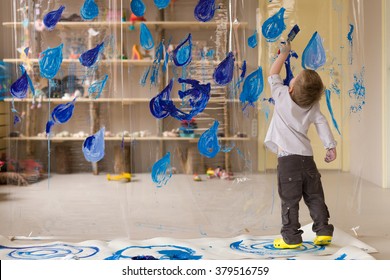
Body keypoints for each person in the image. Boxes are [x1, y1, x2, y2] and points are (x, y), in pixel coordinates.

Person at [264, 41, 337, 249]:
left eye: (295, 77)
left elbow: (273, 73)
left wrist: (284, 54)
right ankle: (323, 231)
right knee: (314, 196)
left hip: (288, 161)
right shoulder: (314, 106)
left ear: (292, 87)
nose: (292, 77)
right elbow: (322, 123)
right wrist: (330, 146)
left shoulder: (280, 96)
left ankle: (291, 237)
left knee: (290, 200)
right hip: (307, 159)